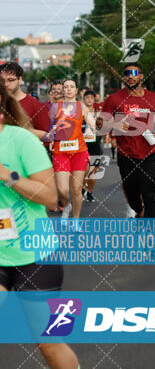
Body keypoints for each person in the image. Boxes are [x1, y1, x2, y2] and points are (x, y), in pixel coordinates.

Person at [0, 78, 79, 369]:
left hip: (36, 255)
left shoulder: (21, 140)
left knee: (48, 342)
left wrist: (7, 174)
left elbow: (51, 198)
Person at [98, 63, 155, 218]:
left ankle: (150, 236)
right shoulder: (114, 99)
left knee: (149, 195)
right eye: (127, 73)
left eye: (134, 73)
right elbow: (100, 124)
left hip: (148, 153)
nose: (130, 76)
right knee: (133, 198)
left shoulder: (154, 98)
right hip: (126, 154)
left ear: (141, 76)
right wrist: (114, 124)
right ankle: (139, 212)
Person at [51, 79, 91, 220]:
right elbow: (50, 126)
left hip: (79, 151)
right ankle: (67, 205)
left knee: (76, 189)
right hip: (60, 151)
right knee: (62, 189)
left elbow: (93, 123)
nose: (68, 89)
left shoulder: (82, 107)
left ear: (76, 90)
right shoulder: (56, 107)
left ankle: (76, 219)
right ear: (63, 90)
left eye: (71, 87)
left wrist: (96, 125)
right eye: (66, 87)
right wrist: (51, 138)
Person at [0, 62, 49, 140]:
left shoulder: (35, 105)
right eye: (2, 81)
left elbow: (48, 136)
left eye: (10, 80)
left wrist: (24, 132)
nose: (6, 84)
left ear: (20, 80)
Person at [82, 89, 103, 202]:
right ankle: (81, 189)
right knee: (84, 171)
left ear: (94, 99)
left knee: (93, 173)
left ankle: (89, 191)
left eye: (91, 98)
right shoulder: (79, 113)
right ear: (84, 99)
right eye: (87, 97)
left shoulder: (98, 113)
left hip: (95, 145)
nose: (89, 100)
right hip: (82, 146)